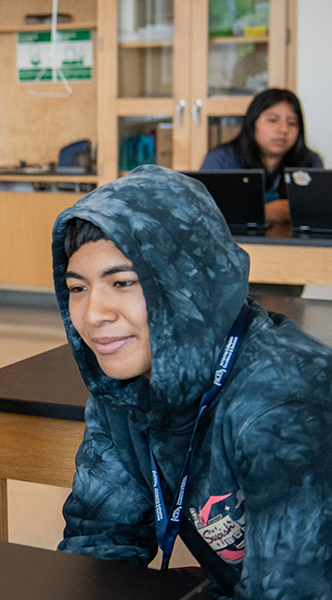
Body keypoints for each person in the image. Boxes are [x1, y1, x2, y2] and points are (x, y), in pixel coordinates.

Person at [53, 165, 332, 598]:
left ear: (188, 281)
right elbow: (100, 547)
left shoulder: (285, 400)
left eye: (123, 282)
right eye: (77, 288)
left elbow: (295, 590)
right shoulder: (122, 388)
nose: (93, 314)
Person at [200, 88, 323, 224]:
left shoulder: (310, 161)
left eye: (292, 123)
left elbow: (320, 213)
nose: (283, 129)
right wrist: (265, 212)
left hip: (293, 244)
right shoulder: (221, 159)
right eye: (272, 120)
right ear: (252, 123)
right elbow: (200, 213)